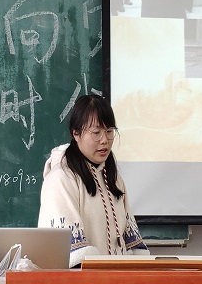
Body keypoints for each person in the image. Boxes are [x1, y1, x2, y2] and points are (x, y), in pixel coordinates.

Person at [37, 95, 149, 267]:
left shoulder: (113, 178)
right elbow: (69, 257)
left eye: (109, 131)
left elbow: (131, 244)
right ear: (76, 133)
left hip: (115, 277)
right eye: (96, 133)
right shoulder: (61, 179)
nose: (104, 140)